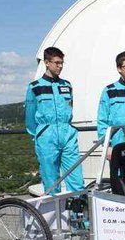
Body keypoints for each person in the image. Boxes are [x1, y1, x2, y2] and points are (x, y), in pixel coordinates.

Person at [25, 47, 84, 194]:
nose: (60, 66)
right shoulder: (35, 87)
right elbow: (30, 118)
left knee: (76, 180)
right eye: (57, 63)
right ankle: (55, 216)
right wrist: (39, 135)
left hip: (68, 136)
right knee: (51, 182)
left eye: (62, 63)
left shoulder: (66, 85)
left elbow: (70, 109)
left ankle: (81, 216)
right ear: (46, 63)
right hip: (46, 137)